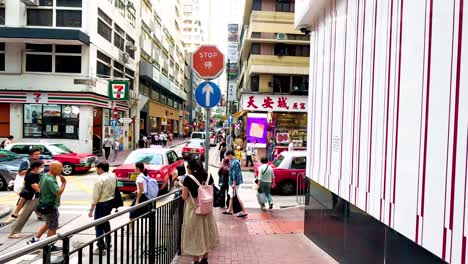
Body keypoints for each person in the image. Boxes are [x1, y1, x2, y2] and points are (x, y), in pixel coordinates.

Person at [180, 158, 219, 264]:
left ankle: (196, 261)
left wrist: (181, 185)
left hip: (194, 211)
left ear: (191, 168)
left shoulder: (188, 179)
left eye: (187, 166)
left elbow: (184, 196)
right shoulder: (209, 176)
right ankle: (205, 259)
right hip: (207, 210)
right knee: (205, 234)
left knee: (195, 235)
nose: (186, 168)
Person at [28, 162, 66, 252]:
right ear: (54, 169)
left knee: (49, 222)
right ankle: (50, 246)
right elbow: (58, 192)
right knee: (53, 227)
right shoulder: (50, 180)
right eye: (60, 168)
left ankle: (36, 238)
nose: (61, 170)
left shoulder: (45, 175)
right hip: (50, 206)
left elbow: (39, 186)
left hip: (44, 203)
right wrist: (64, 183)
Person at [9, 160, 44, 238]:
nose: (43, 168)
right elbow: (35, 186)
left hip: (36, 197)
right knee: (24, 215)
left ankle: (51, 225)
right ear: (36, 167)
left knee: (45, 212)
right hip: (32, 197)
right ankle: (13, 232)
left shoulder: (37, 174)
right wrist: (44, 193)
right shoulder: (31, 175)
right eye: (41, 166)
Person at [88, 162, 116, 255]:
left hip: (102, 204)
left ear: (100, 169)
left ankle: (100, 247)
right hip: (110, 203)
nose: (96, 171)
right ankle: (108, 242)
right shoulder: (113, 176)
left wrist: (91, 210)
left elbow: (95, 197)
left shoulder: (99, 179)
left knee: (99, 225)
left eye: (97, 169)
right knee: (106, 223)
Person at [11, 148, 42, 219]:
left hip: (35, 183)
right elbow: (20, 172)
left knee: (31, 199)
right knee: (28, 198)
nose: (38, 155)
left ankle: (39, 214)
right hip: (28, 183)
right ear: (31, 155)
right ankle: (16, 213)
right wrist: (32, 169)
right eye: (36, 154)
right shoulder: (26, 162)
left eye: (38, 154)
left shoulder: (39, 161)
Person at [223, 150, 247, 217]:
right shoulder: (234, 161)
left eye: (228, 156)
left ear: (230, 154)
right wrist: (228, 169)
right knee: (232, 196)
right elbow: (233, 171)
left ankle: (244, 211)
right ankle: (229, 210)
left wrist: (234, 183)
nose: (228, 157)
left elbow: (234, 173)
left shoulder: (235, 162)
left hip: (234, 182)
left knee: (236, 196)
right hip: (232, 182)